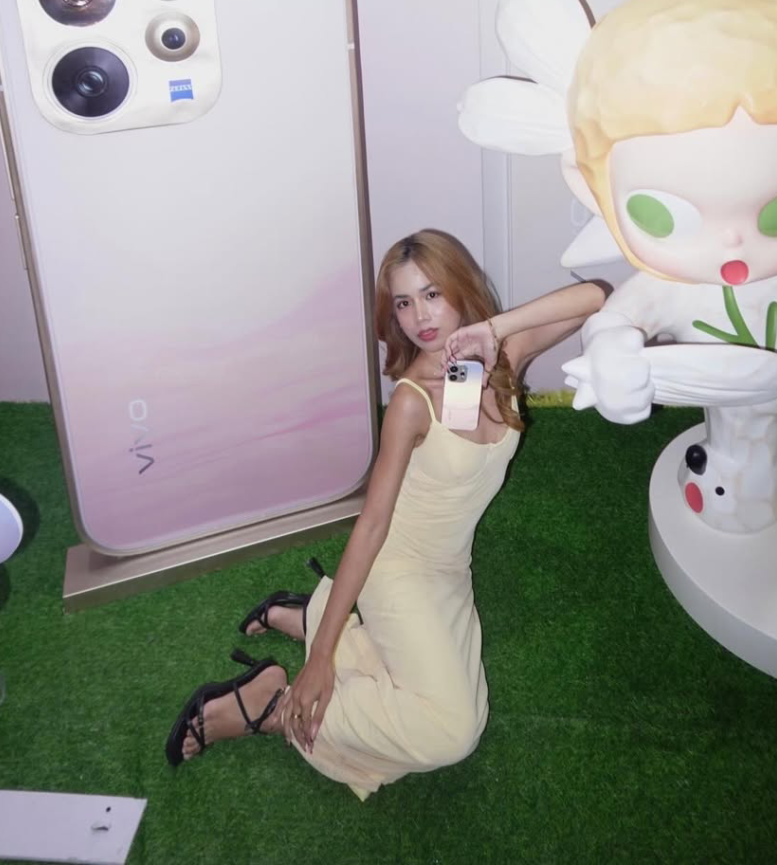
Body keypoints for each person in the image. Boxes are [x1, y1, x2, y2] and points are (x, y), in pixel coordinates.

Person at [166, 228, 604, 799]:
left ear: (462, 289)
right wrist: (320, 662)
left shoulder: (502, 357)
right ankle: (272, 705)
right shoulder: (410, 402)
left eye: (432, 294)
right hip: (395, 569)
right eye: (403, 302)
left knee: (454, 710)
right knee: (453, 733)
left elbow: (597, 295)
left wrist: (493, 331)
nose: (419, 317)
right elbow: (371, 526)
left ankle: (318, 617)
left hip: (450, 570)